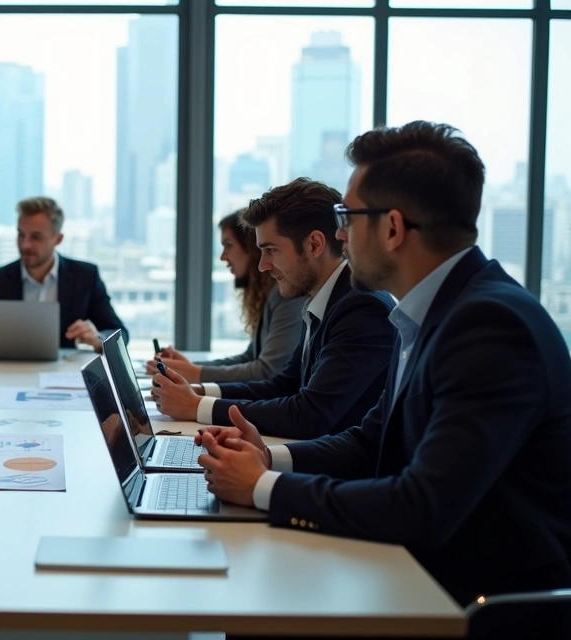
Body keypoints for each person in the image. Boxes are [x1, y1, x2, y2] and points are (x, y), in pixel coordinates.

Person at [195, 121, 571, 639]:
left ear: (392, 228)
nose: (340, 234)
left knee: (254, 604)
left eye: (347, 217)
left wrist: (263, 487)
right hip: (420, 571)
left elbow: (421, 507)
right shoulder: (430, 311)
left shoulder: (489, 327)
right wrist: (270, 458)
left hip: (473, 603)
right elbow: (373, 441)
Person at [151, 178, 396, 440]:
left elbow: (309, 415)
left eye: (271, 250)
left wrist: (196, 406)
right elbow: (282, 385)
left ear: (314, 245)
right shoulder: (324, 299)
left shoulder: (363, 308)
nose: (263, 266)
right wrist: (196, 392)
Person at [0, 196, 126, 354]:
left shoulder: (85, 277)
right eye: (21, 234)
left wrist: (98, 339)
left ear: (58, 239)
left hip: (63, 375)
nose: (25, 244)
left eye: (36, 237)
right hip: (5, 374)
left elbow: (120, 334)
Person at [148, 210, 305, 383]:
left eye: (228, 245)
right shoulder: (271, 294)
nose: (223, 257)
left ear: (252, 249)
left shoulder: (285, 295)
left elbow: (268, 371)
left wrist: (194, 372)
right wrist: (188, 367)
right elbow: (250, 358)